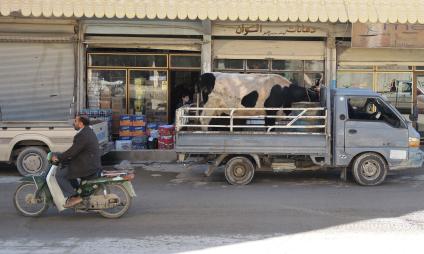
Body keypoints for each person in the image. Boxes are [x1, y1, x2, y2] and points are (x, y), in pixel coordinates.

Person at [52, 115, 102, 208]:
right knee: (69, 171)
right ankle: (77, 191)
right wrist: (62, 155)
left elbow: (73, 151)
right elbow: (75, 150)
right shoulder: (87, 131)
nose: (73, 123)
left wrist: (59, 158)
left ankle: (75, 197)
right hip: (89, 162)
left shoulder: (83, 135)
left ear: (81, 124)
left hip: (88, 165)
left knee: (59, 175)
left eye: (75, 121)